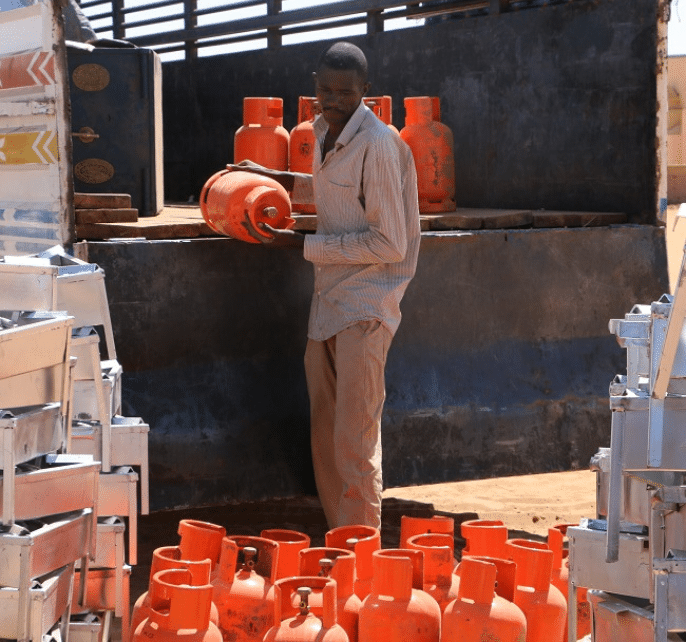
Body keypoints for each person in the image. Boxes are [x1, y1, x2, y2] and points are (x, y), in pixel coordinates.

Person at [233, 41, 420, 530]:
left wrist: (301, 247)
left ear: (366, 92)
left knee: (355, 445)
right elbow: (333, 193)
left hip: (365, 306)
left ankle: (364, 560)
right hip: (329, 304)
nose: (332, 98)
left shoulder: (378, 145)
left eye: (345, 91)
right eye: (324, 89)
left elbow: (389, 242)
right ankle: (343, 544)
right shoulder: (320, 133)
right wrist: (269, 173)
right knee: (328, 442)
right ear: (313, 85)